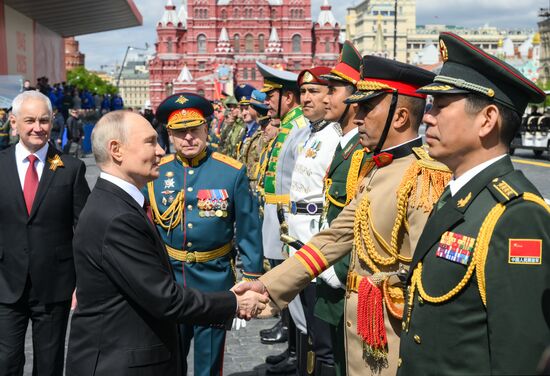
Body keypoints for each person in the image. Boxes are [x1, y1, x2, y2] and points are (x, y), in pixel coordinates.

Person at [236, 56, 452, 376]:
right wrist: (267, 287)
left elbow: (430, 288)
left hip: (393, 348)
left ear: (401, 116)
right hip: (362, 340)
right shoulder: (375, 170)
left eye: (367, 109)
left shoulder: (423, 179)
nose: (359, 117)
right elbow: (335, 237)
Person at [66, 110, 268, 376]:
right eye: (151, 142)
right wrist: (234, 304)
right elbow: (165, 299)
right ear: (116, 150)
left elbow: (246, 226)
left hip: (209, 277)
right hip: (122, 359)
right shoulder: (117, 215)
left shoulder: (115, 202)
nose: (161, 150)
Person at [398, 32, 550, 375]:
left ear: (487, 119)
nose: (427, 117)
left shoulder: (516, 215)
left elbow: (520, 357)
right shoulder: (459, 194)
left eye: (441, 105)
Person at [146, 93, 265, 376]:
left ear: (206, 128)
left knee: (209, 362)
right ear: (170, 135)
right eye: (179, 132)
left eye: (194, 130)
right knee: (170, 356)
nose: (188, 137)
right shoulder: (155, 174)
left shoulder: (230, 172)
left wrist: (251, 280)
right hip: (170, 281)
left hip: (215, 280)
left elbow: (249, 229)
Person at [0, 91, 90, 375]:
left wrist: (84, 281)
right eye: (29, 120)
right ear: (14, 123)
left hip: (55, 284)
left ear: (52, 122)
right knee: (5, 362)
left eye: (43, 120)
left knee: (49, 365)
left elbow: (85, 230)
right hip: (5, 282)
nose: (37, 127)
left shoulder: (71, 169)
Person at [285, 66, 341, 375]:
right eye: (303, 92)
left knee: (323, 339)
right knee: (306, 326)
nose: (306, 98)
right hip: (300, 240)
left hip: (318, 240)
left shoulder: (335, 136)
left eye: (314, 91)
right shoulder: (308, 131)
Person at [256, 61, 310, 375]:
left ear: (286, 98)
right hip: (279, 214)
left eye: (271, 95)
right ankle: (293, 348)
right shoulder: (290, 123)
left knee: (293, 289)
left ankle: (298, 354)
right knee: (285, 286)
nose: (267, 102)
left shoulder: (298, 124)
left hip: (290, 217)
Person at [315, 40, 365, 376]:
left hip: (344, 277)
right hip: (329, 269)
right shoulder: (343, 146)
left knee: (344, 362)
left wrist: (339, 267)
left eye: (334, 90)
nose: (324, 97)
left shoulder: (360, 151)